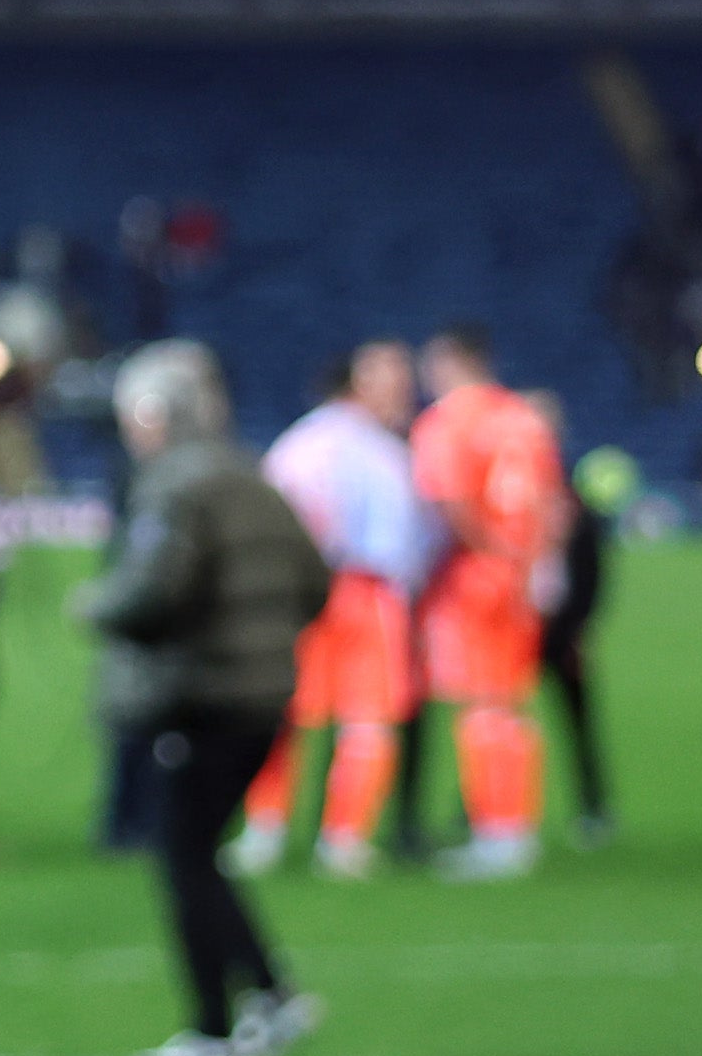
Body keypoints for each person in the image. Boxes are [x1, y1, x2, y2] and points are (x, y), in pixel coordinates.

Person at [74, 339, 332, 1056]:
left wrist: (96, 606)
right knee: (203, 851)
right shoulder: (251, 476)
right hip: (263, 696)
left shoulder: (175, 487)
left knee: (182, 857)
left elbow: (153, 591)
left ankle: (211, 1035)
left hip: (197, 697)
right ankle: (270, 993)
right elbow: (314, 581)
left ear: (152, 416)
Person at [235, 340, 431, 879]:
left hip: (297, 591)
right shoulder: (381, 451)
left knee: (285, 717)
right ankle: (343, 838)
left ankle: (265, 833)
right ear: (358, 384)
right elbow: (409, 538)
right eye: (392, 381)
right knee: (366, 721)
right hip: (364, 592)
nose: (403, 393)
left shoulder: (299, 443)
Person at [411, 325, 565, 880]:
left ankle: (497, 833)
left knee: (480, 707)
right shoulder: (525, 418)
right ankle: (515, 827)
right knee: (511, 705)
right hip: (524, 574)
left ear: (451, 360)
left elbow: (449, 506)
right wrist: (541, 562)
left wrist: (486, 549)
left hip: (472, 577)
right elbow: (552, 500)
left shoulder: (447, 423)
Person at [537, 400, 618, 846]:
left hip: (563, 631)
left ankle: (594, 807)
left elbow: (592, 571)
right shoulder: (511, 494)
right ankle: (480, 813)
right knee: (499, 721)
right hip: (516, 629)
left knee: (578, 723)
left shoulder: (571, 499)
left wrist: (583, 626)